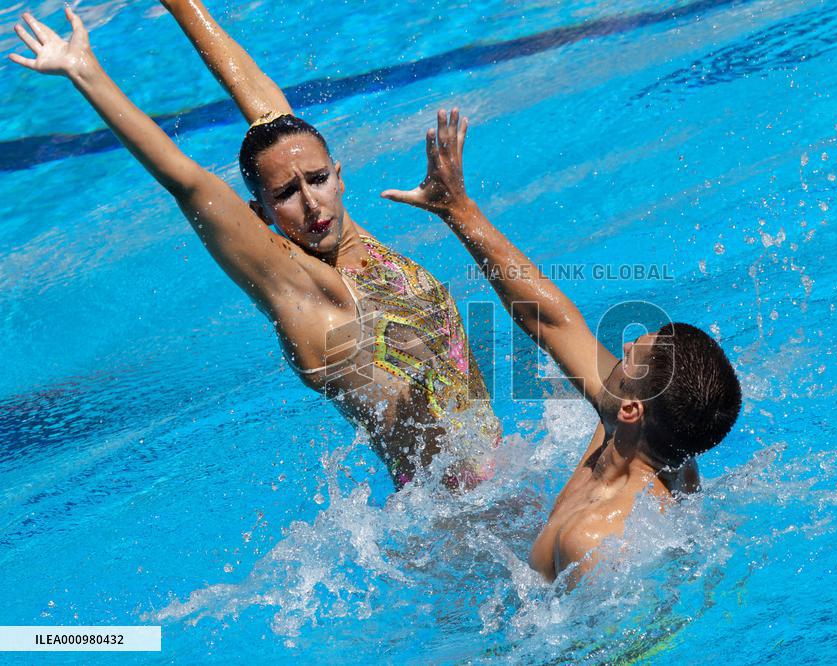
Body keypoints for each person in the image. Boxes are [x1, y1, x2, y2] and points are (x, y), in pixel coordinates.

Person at [9, 8, 499, 490]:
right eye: (285, 194)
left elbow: (260, 99)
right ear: (260, 212)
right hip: (456, 522)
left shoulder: (351, 235)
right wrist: (84, 71)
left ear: (339, 175)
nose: (311, 203)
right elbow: (186, 181)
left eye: (318, 178)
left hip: (503, 470)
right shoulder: (306, 290)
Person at [382, 108, 742, 586]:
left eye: (633, 354)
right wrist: (458, 209)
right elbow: (550, 320)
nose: (626, 344)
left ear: (634, 409)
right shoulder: (644, 431)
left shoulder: (597, 539)